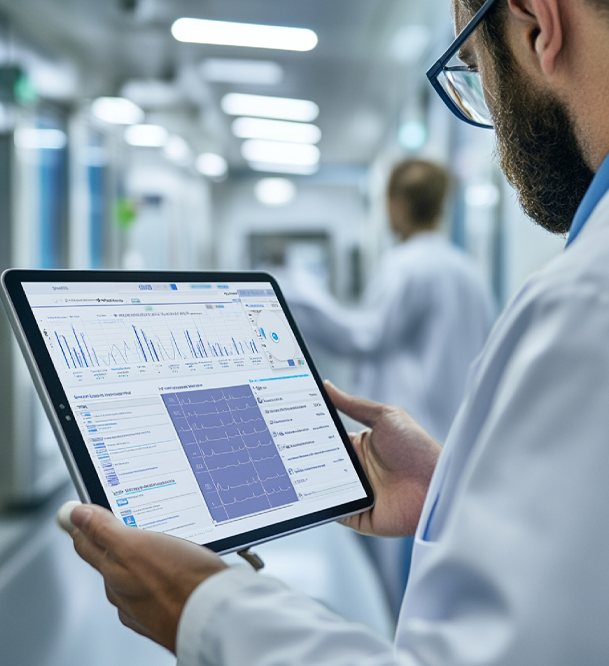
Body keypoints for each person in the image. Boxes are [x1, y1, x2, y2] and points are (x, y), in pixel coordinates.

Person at [61, 0, 609, 663]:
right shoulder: (529, 282)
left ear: (536, 25)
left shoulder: (584, 297)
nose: (490, 116)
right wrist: (452, 487)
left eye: (474, 69)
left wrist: (198, 605)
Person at [286, 159, 494, 445]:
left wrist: (297, 298)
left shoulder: (404, 266)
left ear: (397, 203)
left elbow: (363, 337)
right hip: (460, 440)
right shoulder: (470, 271)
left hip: (412, 439)